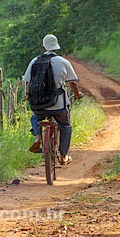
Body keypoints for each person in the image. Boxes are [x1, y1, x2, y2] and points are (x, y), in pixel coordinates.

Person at [23, 34, 82, 165]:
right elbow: (73, 83)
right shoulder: (63, 62)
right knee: (65, 126)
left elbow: (27, 81)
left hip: (39, 106)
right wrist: (77, 95)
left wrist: (28, 95)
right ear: (56, 47)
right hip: (58, 105)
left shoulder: (34, 61)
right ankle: (64, 156)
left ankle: (38, 137)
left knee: (35, 118)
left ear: (43, 46)